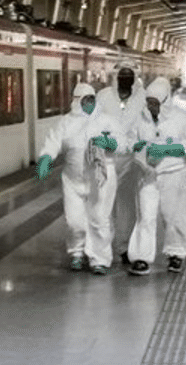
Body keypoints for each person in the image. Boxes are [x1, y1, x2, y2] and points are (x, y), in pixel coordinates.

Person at [36, 83, 129, 275]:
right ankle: (76, 252)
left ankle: (99, 259)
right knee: (74, 221)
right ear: (76, 101)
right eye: (84, 100)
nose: (88, 103)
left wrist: (110, 143)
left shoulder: (107, 121)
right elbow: (53, 142)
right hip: (73, 180)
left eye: (91, 99)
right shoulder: (66, 122)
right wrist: (46, 158)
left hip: (101, 178)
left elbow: (123, 144)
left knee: (99, 219)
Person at [124, 77, 186, 275]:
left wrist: (168, 148)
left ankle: (176, 254)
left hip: (173, 174)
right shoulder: (140, 119)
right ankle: (141, 258)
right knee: (145, 217)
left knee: (172, 215)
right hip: (147, 175)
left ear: (165, 101)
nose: (151, 106)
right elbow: (131, 141)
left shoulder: (180, 119)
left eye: (155, 103)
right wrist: (141, 155)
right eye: (149, 102)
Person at [96, 65, 148, 264]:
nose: (125, 79)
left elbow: (148, 124)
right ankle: (102, 250)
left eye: (129, 76)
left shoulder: (142, 97)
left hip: (131, 158)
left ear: (135, 78)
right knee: (102, 205)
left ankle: (124, 247)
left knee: (126, 205)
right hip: (107, 158)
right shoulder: (103, 96)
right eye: (122, 76)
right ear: (116, 78)